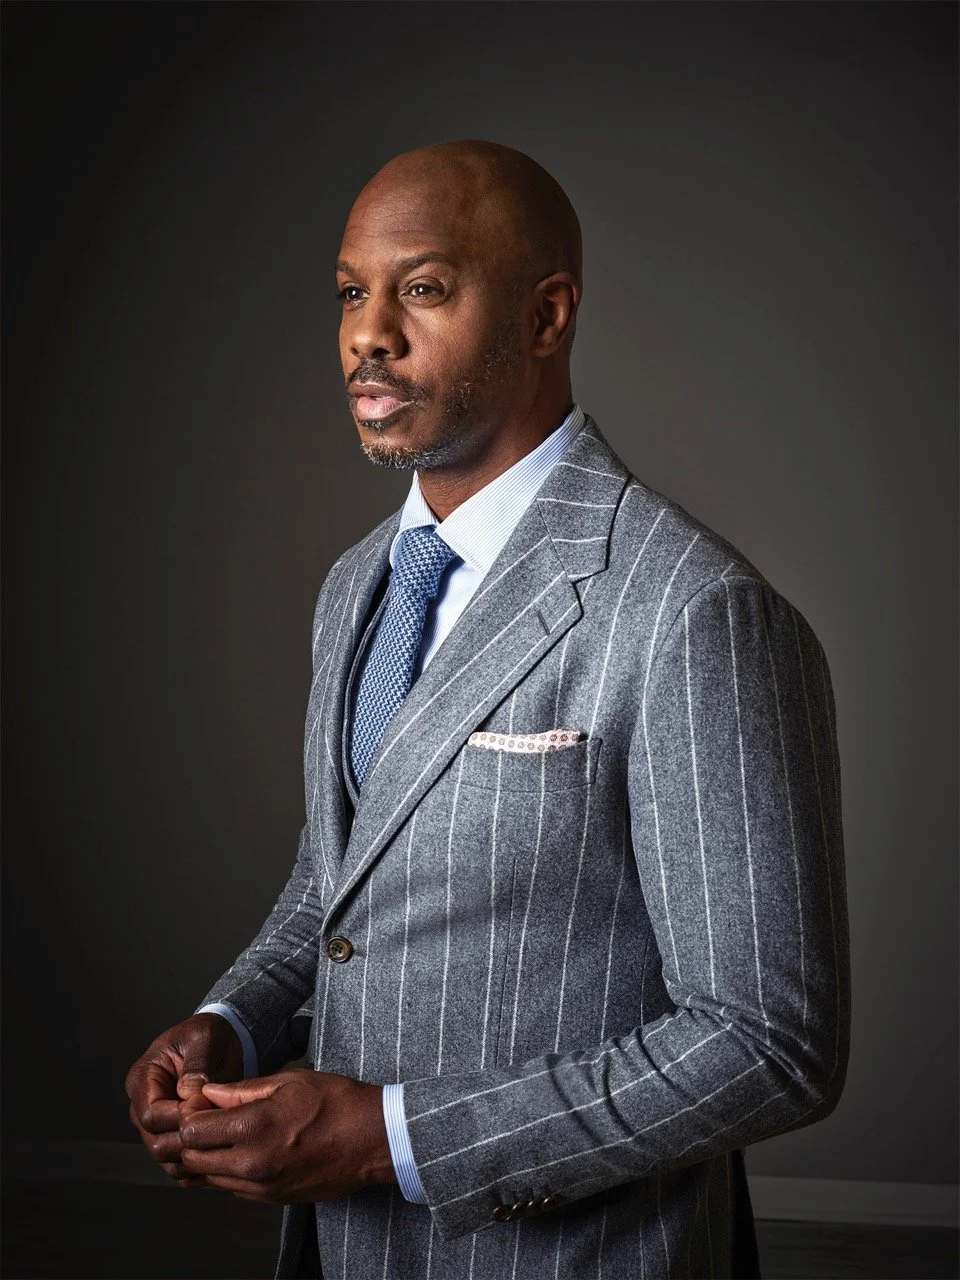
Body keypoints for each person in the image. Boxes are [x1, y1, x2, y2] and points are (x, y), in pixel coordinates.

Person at [126, 139, 850, 1279]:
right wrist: (233, 1019)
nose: (369, 331)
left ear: (547, 315)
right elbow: (339, 887)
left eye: (422, 289)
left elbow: (769, 1043)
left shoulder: (693, 610)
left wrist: (392, 1139)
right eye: (351, 293)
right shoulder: (358, 583)